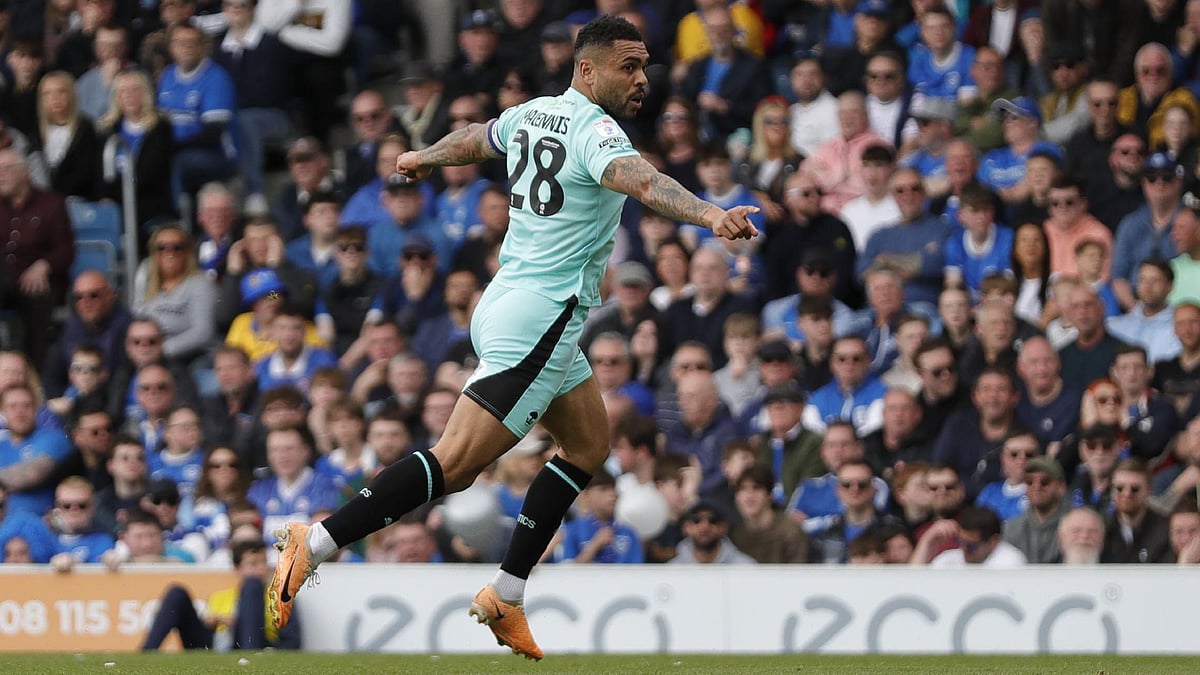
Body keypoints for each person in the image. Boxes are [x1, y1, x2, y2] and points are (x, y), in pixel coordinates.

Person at [267, 16, 759, 661]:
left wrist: (423, 156)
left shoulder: (534, 113)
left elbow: (477, 137)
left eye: (644, 67)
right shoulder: (597, 131)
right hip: (541, 319)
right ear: (588, 69)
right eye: (628, 67)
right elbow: (643, 182)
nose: (641, 79)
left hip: (511, 301)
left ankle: (506, 593)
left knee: (587, 445)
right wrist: (711, 213)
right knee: (456, 465)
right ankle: (315, 542)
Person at [142, 539, 301, 651]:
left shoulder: (279, 597)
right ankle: (146, 653)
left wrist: (240, 622)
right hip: (215, 645)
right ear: (237, 569)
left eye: (264, 562)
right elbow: (212, 629)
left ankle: (250, 656)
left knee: (252, 585)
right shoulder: (220, 596)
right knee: (177, 592)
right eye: (253, 564)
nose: (261, 569)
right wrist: (213, 622)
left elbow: (291, 641)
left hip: (255, 645)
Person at [1002, 457, 1071, 563]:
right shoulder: (1012, 528)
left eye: (1045, 482)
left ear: (1061, 487)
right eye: (1029, 482)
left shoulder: (1077, 526)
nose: (1037, 486)